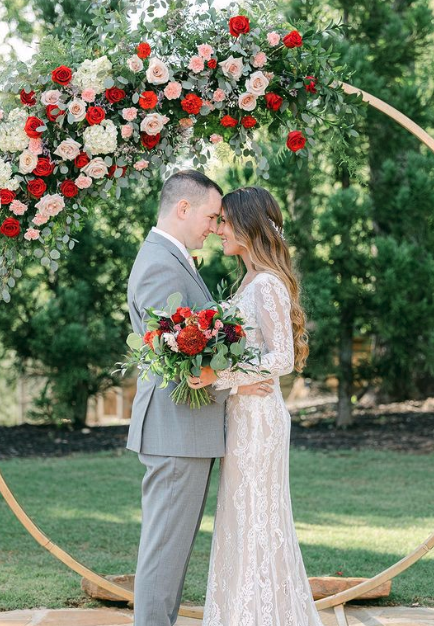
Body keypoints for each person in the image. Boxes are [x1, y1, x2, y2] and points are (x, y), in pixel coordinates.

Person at [126, 171, 273, 626]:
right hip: (174, 429)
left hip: (187, 430)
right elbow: (170, 350)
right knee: (164, 553)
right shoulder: (157, 262)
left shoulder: (174, 258)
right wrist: (235, 378)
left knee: (173, 552)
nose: (214, 225)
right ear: (183, 209)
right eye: (211, 215)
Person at [189, 186, 324, 626]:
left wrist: (219, 377)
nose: (218, 229)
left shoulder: (266, 283)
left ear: (247, 225)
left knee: (257, 520)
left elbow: (281, 358)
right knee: (240, 519)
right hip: (241, 414)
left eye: (224, 221)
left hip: (261, 421)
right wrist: (223, 379)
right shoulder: (248, 280)